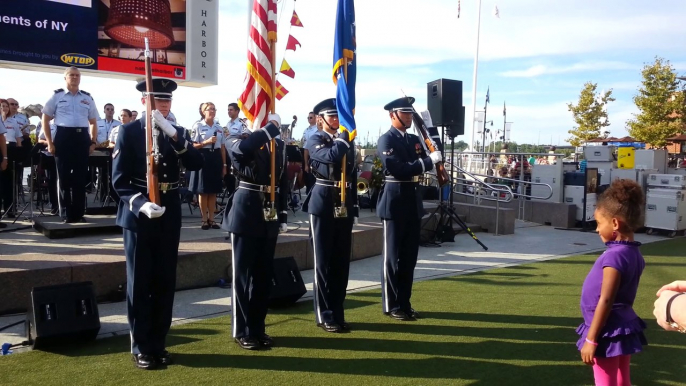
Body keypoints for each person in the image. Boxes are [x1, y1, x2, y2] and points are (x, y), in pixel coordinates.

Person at [112, 78, 202, 370]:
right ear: (143, 102)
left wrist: (175, 136)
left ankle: (159, 343)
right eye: (157, 101)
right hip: (140, 214)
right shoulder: (127, 132)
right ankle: (141, 346)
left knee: (165, 280)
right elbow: (119, 180)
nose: (162, 106)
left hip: (169, 210)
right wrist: (140, 203)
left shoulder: (176, 133)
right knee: (140, 281)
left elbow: (197, 162)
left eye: (167, 102)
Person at [221, 113, 289, 350]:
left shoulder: (278, 144)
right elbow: (242, 151)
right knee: (243, 275)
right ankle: (242, 330)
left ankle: (258, 327)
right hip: (246, 209)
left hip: (268, 211)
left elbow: (281, 180)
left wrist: (282, 214)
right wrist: (269, 129)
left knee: (263, 276)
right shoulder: (234, 137)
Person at [376, 96, 442, 321]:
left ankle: (405, 302)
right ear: (392, 115)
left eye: (410, 113)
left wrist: (430, 130)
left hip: (412, 202)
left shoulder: (414, 138)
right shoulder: (386, 140)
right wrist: (426, 162)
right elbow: (398, 168)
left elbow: (434, 152)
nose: (408, 117)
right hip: (394, 203)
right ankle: (392, 304)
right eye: (404, 113)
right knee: (392, 258)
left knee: (409, 258)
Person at [576, 179, 647, 385]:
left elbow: (606, 300)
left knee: (605, 381)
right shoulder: (634, 253)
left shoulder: (614, 256)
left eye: (599, 223)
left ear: (614, 223)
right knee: (622, 379)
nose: (597, 230)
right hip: (622, 325)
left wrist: (591, 339)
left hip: (607, 330)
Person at [302, 98, 358, 333]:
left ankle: (338, 311)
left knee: (341, 262)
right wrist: (344, 140)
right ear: (321, 119)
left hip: (343, 202)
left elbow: (352, 175)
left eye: (339, 116)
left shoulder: (346, 142)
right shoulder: (315, 138)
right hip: (323, 200)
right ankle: (325, 315)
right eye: (332, 116)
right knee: (324, 263)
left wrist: (353, 207)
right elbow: (329, 158)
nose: (337, 120)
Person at [41, 66, 100, 223]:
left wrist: (93, 142)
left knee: (80, 178)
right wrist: (50, 142)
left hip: (82, 138)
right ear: (65, 78)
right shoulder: (57, 96)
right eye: (72, 75)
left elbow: (93, 122)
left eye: (77, 75)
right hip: (63, 136)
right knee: (64, 177)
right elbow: (45, 119)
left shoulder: (87, 98)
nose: (75, 78)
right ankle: (66, 213)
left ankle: (79, 214)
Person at [189, 102, 225, 230]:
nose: (213, 111)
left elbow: (222, 147)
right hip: (203, 157)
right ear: (203, 111)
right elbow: (193, 145)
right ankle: (204, 219)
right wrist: (206, 142)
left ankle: (212, 219)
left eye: (214, 109)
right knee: (203, 191)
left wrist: (224, 164)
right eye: (210, 109)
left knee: (213, 191)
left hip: (215, 157)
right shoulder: (198, 126)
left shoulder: (219, 127)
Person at [0, 99, 22, 218]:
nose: (5, 108)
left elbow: (18, 139)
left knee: (10, 182)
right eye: (2, 106)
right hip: (1, 149)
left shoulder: (13, 122)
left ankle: (10, 208)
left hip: (12, 150)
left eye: (6, 106)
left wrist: (19, 152)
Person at [37, 121, 59, 215]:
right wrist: (49, 142)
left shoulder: (67, 122)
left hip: (64, 155)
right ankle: (54, 206)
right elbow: (40, 140)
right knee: (52, 181)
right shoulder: (48, 124)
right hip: (49, 156)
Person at [301, 111, 319, 194]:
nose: (309, 119)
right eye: (308, 118)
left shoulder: (318, 129)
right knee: (307, 179)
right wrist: (305, 164)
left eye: (311, 117)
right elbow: (305, 147)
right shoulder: (306, 130)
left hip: (315, 155)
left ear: (315, 118)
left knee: (314, 180)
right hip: (307, 155)